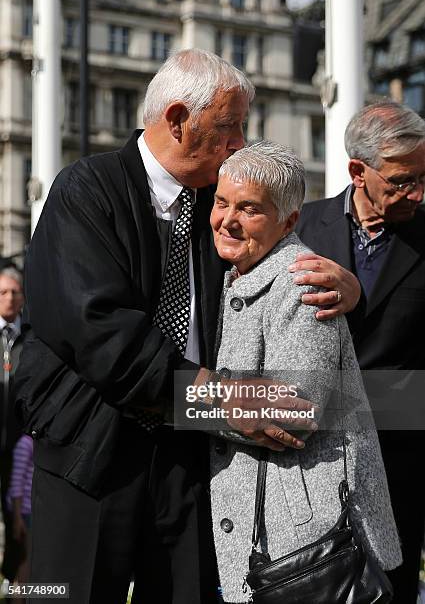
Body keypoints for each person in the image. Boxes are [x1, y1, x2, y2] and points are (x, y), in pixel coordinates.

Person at [15, 49, 361, 604]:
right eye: (229, 126)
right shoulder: (85, 189)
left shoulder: (215, 206)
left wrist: (348, 285)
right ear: (177, 121)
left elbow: (281, 246)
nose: (239, 143)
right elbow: (101, 333)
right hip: (92, 455)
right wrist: (219, 402)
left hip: (191, 461)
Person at [208, 141, 401, 604]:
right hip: (277, 533)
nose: (227, 219)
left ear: (289, 221)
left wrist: (183, 400)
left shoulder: (302, 283)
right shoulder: (235, 269)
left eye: (249, 209)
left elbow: (294, 406)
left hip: (307, 539)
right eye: (221, 202)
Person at [295, 100, 425, 604]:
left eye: (421, 176)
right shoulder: (300, 228)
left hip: (401, 467)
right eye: (401, 181)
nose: (416, 192)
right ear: (357, 171)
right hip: (310, 464)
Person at [0, 265, 24, 584]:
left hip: (21, 453)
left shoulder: (31, 337)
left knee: (20, 523)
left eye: (14, 292)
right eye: (3, 292)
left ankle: (15, 585)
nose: (9, 298)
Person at [6, 434, 33, 604]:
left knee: (27, 564)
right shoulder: (26, 443)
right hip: (25, 512)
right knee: (26, 564)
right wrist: (17, 518)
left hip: (31, 511)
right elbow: (16, 483)